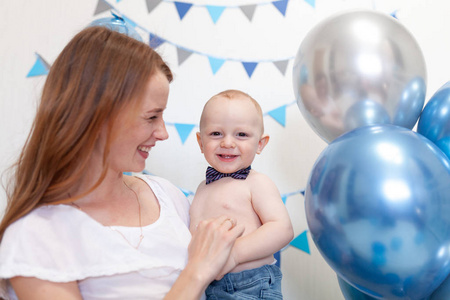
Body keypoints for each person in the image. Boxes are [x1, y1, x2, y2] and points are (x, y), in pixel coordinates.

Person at [0, 26, 245, 300]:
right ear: (97, 116)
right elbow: (201, 270)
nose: (163, 133)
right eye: (151, 117)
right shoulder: (36, 236)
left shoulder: (168, 197)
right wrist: (196, 273)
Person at [191, 90, 294, 299]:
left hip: (251, 285)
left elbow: (282, 229)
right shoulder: (203, 187)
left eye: (241, 134)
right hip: (208, 287)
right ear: (201, 142)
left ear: (260, 144)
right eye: (216, 133)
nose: (227, 143)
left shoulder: (256, 183)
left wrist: (233, 254)